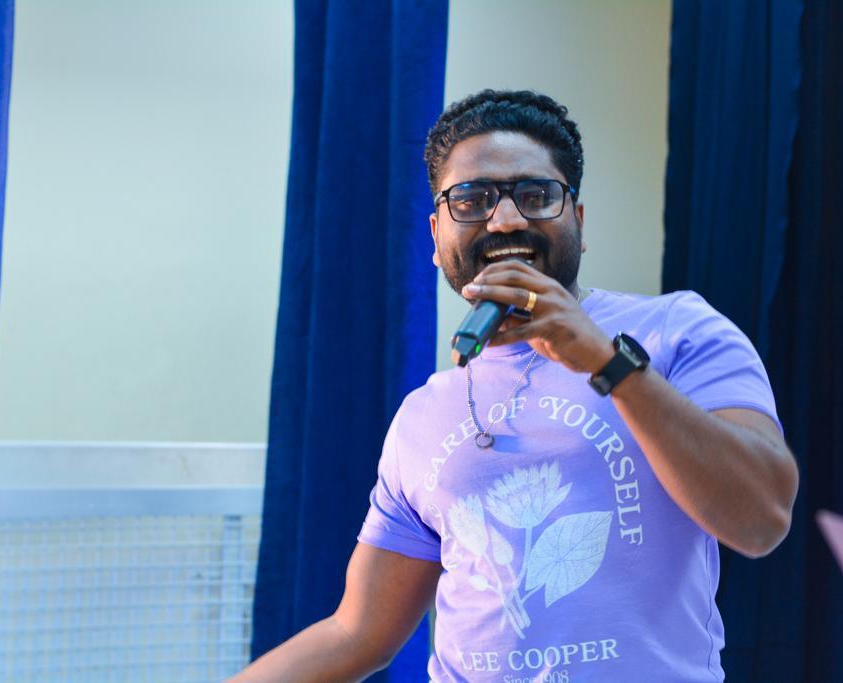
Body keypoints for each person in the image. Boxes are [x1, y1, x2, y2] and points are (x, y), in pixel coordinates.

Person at [230, 89, 798, 682]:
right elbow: (357, 632)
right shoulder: (423, 413)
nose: (505, 220)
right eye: (471, 200)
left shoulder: (677, 330)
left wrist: (609, 364)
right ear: (436, 236)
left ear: (578, 222)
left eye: (535, 195)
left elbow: (761, 519)